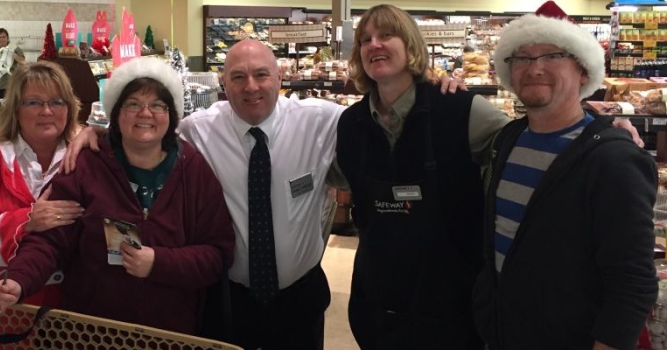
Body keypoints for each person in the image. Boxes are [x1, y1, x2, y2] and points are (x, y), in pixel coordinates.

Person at [62, 37, 465, 348]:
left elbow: (388, 109)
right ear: (223, 83)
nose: (250, 87)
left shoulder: (323, 121)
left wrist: (430, 87)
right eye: (237, 77)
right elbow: (144, 132)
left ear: (280, 78)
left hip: (300, 297)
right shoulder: (197, 130)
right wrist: (94, 133)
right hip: (227, 297)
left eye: (261, 75)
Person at [0, 57, 236, 335]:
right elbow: (51, 239)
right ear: (116, 113)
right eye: (132, 104)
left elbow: (217, 254)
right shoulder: (86, 165)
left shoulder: (193, 171)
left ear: (171, 115)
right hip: (94, 332)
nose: (145, 113)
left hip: (170, 334)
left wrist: (159, 263)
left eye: (158, 105)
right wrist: (19, 280)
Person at [472, 2, 658, 350]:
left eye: (552, 55)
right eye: (521, 58)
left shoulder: (613, 160)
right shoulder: (508, 139)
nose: (535, 68)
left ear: (584, 71)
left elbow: (632, 282)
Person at [335, 5, 511, 349]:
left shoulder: (461, 110)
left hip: (452, 308)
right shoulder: (351, 124)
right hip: (378, 304)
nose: (374, 45)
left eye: (387, 35)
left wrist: (602, 129)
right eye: (365, 40)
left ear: (412, 45)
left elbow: (527, 139)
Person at [0, 61, 82, 307]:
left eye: (56, 101)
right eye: (33, 102)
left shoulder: (83, 155)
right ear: (15, 109)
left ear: (69, 108)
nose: (46, 111)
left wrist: (98, 133)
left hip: (67, 307)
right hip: (0, 301)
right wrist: (26, 221)